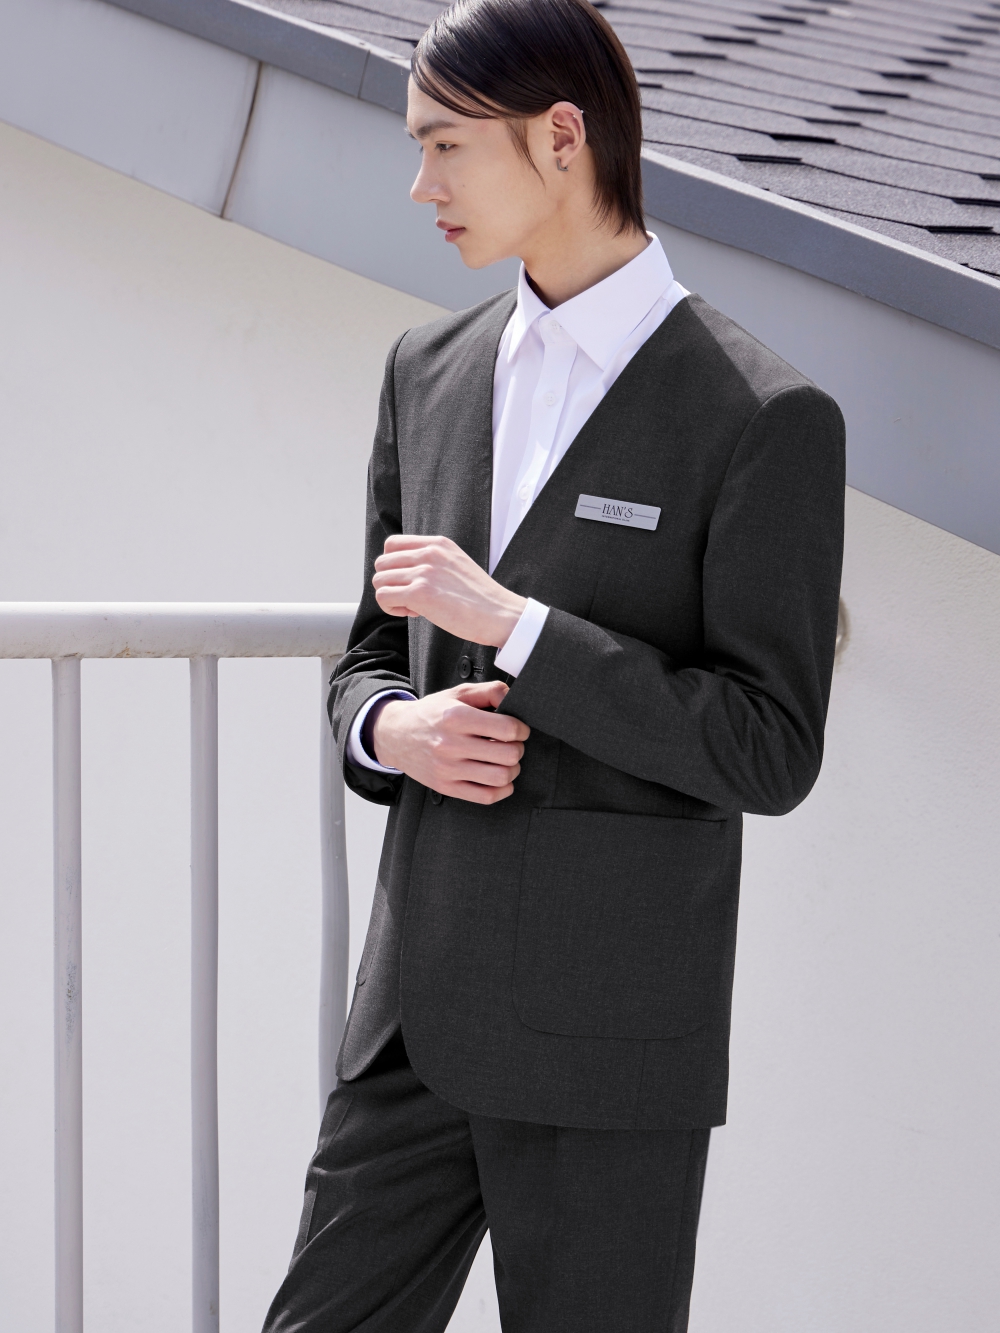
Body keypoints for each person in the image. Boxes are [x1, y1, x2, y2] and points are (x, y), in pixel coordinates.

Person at [263, 0, 845, 1328]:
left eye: (446, 146)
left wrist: (520, 628)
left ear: (562, 137)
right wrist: (390, 730)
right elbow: (371, 651)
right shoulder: (426, 371)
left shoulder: (762, 416)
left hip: (610, 1042)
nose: (421, 186)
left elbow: (769, 746)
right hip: (411, 1020)